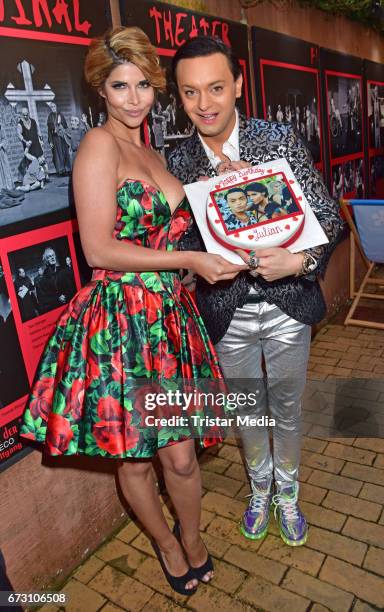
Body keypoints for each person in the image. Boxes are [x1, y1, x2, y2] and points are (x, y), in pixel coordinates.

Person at [19, 26, 246, 595]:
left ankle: (191, 538)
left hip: (169, 317)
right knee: (138, 460)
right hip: (122, 322)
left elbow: (176, 231)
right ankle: (168, 545)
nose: (134, 97)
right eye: (121, 85)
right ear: (101, 89)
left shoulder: (154, 151)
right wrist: (188, 257)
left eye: (144, 84)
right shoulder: (98, 146)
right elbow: (98, 249)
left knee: (183, 459)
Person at [167, 35, 343, 547]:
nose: (205, 104)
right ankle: (259, 488)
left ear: (239, 85)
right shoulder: (178, 163)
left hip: (287, 306)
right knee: (248, 411)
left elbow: (328, 216)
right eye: (191, 92)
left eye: (217, 88)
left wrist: (299, 260)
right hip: (225, 313)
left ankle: (288, 493)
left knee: (285, 409)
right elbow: (178, 247)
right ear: (179, 97)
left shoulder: (276, 140)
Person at [47, 102, 71, 176]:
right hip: (55, 139)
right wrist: (50, 141)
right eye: (51, 106)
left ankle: (67, 169)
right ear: (50, 108)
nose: (53, 107)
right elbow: (49, 131)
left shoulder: (61, 115)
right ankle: (61, 171)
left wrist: (66, 135)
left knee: (65, 153)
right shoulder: (50, 116)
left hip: (62, 138)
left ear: (56, 106)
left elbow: (65, 126)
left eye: (54, 106)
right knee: (57, 155)